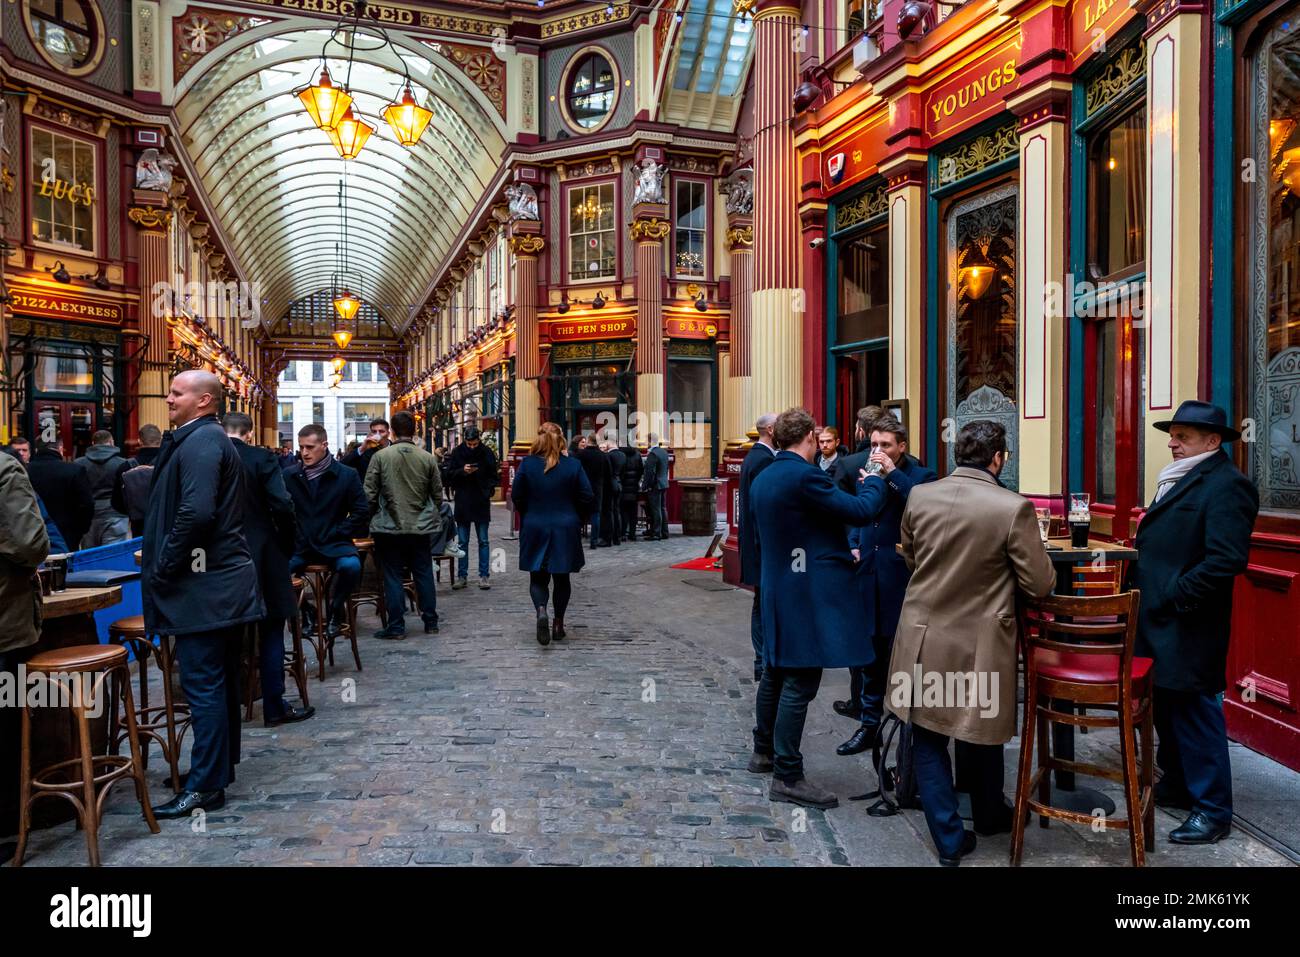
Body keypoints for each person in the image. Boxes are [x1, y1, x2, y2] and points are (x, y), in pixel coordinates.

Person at [888, 420, 1056, 865]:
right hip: (980, 638)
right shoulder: (1012, 507)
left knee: (926, 733)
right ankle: (988, 813)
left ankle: (947, 837)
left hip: (923, 634)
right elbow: (1039, 583)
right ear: (998, 458)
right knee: (979, 728)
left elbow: (909, 553)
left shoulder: (920, 495)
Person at [1127, 400, 1258, 845]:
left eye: (1182, 436)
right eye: (1173, 434)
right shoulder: (1179, 478)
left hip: (1188, 623)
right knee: (1166, 705)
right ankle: (1179, 785)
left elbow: (1226, 560)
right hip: (1158, 619)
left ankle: (1212, 810)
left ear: (1212, 441)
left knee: (1196, 712)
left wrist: (1173, 597)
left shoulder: (1226, 485)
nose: (1172, 442)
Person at [142, 371, 265, 818]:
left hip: (205, 587)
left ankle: (207, 784)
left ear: (204, 400)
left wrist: (164, 565)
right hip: (216, 584)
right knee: (217, 681)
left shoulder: (201, 442)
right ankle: (216, 768)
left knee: (204, 685)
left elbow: (196, 511)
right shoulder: (202, 440)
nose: (168, 397)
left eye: (177, 392)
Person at [747, 408, 875, 809]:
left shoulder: (765, 474)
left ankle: (763, 751)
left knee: (775, 671)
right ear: (806, 437)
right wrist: (874, 483)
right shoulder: (804, 475)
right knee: (799, 681)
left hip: (777, 587)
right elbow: (859, 511)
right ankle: (788, 775)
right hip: (803, 593)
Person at [835, 415, 937, 757]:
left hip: (902, 577)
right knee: (869, 657)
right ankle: (868, 726)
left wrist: (891, 474)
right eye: (874, 445)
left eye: (886, 446)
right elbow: (854, 512)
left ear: (902, 447)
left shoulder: (921, 476)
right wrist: (852, 541)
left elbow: (923, 506)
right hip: (867, 571)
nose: (877, 451)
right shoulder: (863, 471)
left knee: (902, 654)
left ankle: (903, 731)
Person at [223, 413, 313, 728]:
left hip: (222, 559)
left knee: (227, 637)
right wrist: (285, 545)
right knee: (273, 630)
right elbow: (282, 504)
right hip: (264, 553)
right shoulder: (261, 458)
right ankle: (274, 705)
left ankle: (229, 709)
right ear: (249, 434)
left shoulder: (209, 456)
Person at [0, 450, 50, 851]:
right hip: (4, 619)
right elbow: (29, 542)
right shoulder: (3, 468)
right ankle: (9, 823)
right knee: (6, 721)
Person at [512, 423, 595, 646]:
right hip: (565, 526)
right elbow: (587, 495)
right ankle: (558, 623)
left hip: (535, 525)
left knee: (537, 577)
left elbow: (517, 495)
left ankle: (541, 610)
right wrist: (574, 515)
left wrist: (528, 513)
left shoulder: (527, 465)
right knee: (562, 578)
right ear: (561, 441)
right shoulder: (573, 465)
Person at [283, 424, 368, 639]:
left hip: (334, 542)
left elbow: (360, 512)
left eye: (310, 447)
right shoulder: (289, 475)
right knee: (275, 573)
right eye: (301, 447)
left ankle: (335, 610)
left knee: (351, 567)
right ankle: (306, 611)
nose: (304, 452)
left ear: (324, 445)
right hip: (300, 545)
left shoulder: (346, 475)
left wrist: (339, 532)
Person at [365, 411, 443, 638]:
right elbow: (437, 494)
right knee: (423, 572)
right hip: (419, 527)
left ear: (393, 431)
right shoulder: (427, 458)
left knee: (392, 575)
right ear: (414, 431)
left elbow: (369, 493)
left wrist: (369, 517)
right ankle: (431, 621)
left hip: (388, 527)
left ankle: (397, 626)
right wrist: (427, 512)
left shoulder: (380, 457)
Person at [830, 405, 885, 719]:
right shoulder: (910, 466)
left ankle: (859, 700)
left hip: (857, 558)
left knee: (859, 631)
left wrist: (848, 546)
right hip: (887, 559)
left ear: (861, 431)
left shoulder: (849, 464)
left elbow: (837, 515)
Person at [738, 413, 778, 683]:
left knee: (759, 602)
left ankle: (761, 659)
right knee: (762, 604)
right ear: (772, 430)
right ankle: (763, 660)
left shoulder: (755, 456)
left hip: (754, 544)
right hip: (760, 546)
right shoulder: (763, 459)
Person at [443, 427, 499, 590]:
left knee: (483, 540)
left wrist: (487, 489)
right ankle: (462, 576)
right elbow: (449, 475)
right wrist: (463, 471)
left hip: (481, 500)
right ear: (465, 440)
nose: (472, 446)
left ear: (479, 440)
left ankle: (484, 575)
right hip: (463, 500)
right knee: (462, 542)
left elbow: (493, 475)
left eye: (475, 444)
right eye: (470, 444)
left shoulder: (487, 452)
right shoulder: (458, 452)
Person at [26, 437, 94, 551]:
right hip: (68, 532)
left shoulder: (26, 471)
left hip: (33, 531)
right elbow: (87, 504)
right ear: (60, 448)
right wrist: (81, 529)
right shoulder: (75, 470)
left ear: (37, 450)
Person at [112, 424, 163, 537]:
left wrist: (133, 512)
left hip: (138, 525)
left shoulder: (126, 466)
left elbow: (116, 502)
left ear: (140, 441)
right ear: (161, 440)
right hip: (164, 523)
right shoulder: (169, 463)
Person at [577, 432, 613, 548]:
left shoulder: (581, 455)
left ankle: (576, 540)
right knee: (595, 515)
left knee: (580, 515)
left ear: (588, 440)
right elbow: (608, 474)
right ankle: (594, 541)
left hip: (582, 487)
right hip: (598, 488)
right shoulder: (603, 456)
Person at [640, 433, 671, 540]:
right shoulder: (664, 452)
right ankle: (665, 532)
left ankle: (656, 533)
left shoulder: (653, 454)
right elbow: (666, 469)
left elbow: (649, 472)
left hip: (655, 485)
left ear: (649, 441)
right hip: (663, 483)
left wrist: (645, 486)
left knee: (656, 509)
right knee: (663, 508)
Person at [342, 418, 390, 484]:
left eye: (381, 431)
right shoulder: (364, 450)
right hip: (367, 491)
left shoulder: (396, 448)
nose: (377, 434)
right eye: (374, 432)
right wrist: (362, 449)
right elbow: (342, 465)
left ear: (388, 433)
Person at [617, 438, 644, 541]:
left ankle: (623, 533)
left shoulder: (621, 454)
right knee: (633, 513)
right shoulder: (637, 454)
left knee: (623, 512)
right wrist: (636, 480)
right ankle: (632, 534)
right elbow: (641, 470)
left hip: (623, 487)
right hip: (634, 488)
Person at [603, 440, 627, 545]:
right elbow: (623, 472)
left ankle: (609, 538)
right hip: (619, 484)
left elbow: (607, 472)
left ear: (609, 445)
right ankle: (618, 537)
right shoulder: (623, 455)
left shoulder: (608, 456)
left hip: (610, 485)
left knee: (609, 512)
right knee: (617, 511)